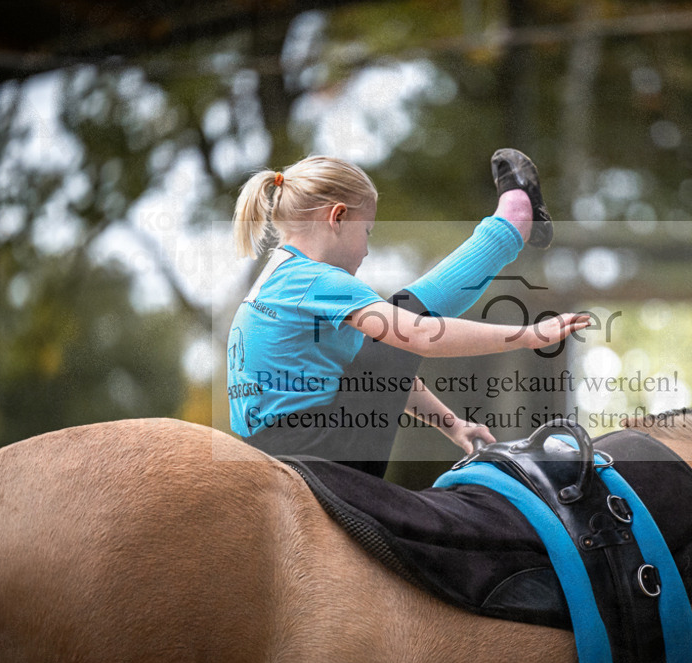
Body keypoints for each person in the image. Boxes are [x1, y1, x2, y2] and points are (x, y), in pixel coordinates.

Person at [227, 150, 588, 477]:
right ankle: (512, 227)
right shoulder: (315, 280)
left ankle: (511, 228)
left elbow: (379, 368)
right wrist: (526, 336)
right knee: (405, 313)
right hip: (319, 451)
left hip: (276, 450)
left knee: (389, 327)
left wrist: (453, 425)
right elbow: (420, 336)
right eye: (366, 232)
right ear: (337, 217)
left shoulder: (277, 278)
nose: (367, 250)